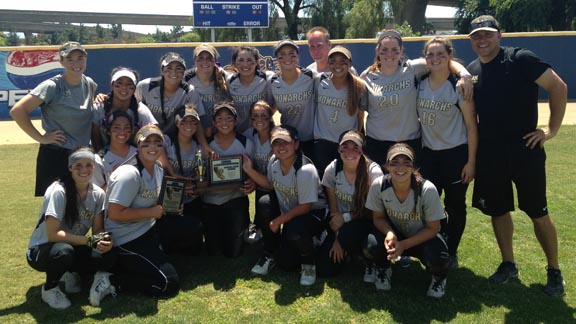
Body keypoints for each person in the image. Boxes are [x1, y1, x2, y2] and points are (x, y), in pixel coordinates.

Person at [467, 15, 567, 296]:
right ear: (470, 40)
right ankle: (508, 263)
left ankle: (554, 270)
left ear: (500, 35)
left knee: (538, 212)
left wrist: (550, 130)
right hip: (490, 154)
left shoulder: (521, 59)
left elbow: (558, 87)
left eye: (487, 34)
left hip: (525, 150)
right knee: (498, 210)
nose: (482, 40)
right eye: (476, 36)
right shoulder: (473, 71)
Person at [105, 125, 196, 297]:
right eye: (146, 143)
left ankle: (155, 256)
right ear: (137, 146)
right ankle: (113, 280)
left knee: (192, 227)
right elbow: (114, 214)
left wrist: (172, 206)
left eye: (157, 143)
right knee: (168, 284)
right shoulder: (129, 173)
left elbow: (156, 201)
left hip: (148, 228)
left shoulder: (158, 168)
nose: (153, 147)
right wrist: (152, 212)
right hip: (125, 238)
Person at [360, 29, 472, 166]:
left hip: (409, 142)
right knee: (378, 186)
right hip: (377, 143)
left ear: (401, 51)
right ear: (377, 50)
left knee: (410, 186)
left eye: (395, 50)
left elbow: (446, 62)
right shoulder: (367, 76)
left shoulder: (413, 68)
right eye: (384, 50)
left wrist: (464, 75)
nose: (390, 54)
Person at [26, 147, 116, 309]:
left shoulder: (97, 194)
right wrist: (88, 241)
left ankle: (71, 274)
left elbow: (97, 229)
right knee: (65, 252)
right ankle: (50, 289)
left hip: (73, 244)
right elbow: (53, 235)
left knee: (109, 251)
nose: (84, 170)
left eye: (88, 165)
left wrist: (103, 240)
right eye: (78, 165)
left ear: (94, 167)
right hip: (41, 250)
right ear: (70, 168)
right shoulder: (58, 191)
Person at [416, 37, 478, 269]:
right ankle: (434, 244)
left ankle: (451, 251)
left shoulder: (458, 85)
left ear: (450, 56)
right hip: (429, 154)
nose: (435, 59)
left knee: (454, 204)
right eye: (430, 54)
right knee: (429, 203)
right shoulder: (420, 81)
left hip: (455, 153)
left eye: (441, 54)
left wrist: (471, 162)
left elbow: (472, 126)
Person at [10, 41, 98, 196]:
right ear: (61, 61)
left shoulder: (89, 83)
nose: (76, 63)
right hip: (56, 155)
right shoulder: (52, 86)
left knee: (80, 207)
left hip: (82, 155)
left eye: (80, 57)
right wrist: (41, 138)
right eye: (69, 59)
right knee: (54, 210)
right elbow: (18, 111)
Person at [243, 125, 327, 286]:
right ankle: (270, 253)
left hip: (313, 214)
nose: (281, 147)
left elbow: (306, 207)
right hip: (291, 215)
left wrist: (278, 221)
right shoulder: (274, 162)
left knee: (295, 228)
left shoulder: (305, 170)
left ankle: (309, 263)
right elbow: (269, 184)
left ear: (296, 144)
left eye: (286, 142)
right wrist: (248, 170)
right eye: (276, 143)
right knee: (264, 203)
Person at [364, 143, 450, 298]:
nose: (400, 168)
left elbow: (433, 228)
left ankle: (439, 278)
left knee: (438, 258)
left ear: (413, 167)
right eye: (394, 163)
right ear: (387, 166)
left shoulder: (427, 189)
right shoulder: (379, 185)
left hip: (422, 238)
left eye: (406, 163)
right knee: (371, 245)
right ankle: (383, 268)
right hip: (396, 236)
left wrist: (404, 245)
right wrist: (389, 233)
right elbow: (378, 218)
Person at [315, 130, 383, 279]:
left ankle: (369, 261)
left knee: (370, 245)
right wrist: (337, 238)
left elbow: (372, 211)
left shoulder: (373, 172)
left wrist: (344, 224)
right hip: (341, 224)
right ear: (339, 149)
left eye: (355, 147)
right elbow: (334, 212)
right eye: (345, 147)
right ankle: (351, 252)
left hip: (367, 221)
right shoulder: (332, 169)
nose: (349, 152)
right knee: (324, 270)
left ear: (362, 150)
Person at [201, 102, 255, 257]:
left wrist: (252, 182)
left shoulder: (246, 143)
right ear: (213, 122)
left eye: (229, 118)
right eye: (219, 119)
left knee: (233, 252)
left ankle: (244, 226)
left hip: (234, 200)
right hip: (210, 202)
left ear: (236, 121)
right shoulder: (206, 146)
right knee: (213, 251)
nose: (224, 123)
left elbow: (252, 172)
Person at [135, 52, 211, 154]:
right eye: (169, 68)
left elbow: (197, 122)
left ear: (184, 71)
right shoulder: (145, 86)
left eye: (178, 68)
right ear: (162, 70)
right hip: (147, 139)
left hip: (174, 141)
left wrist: (205, 146)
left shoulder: (189, 91)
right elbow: (132, 108)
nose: (173, 72)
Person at [313, 46, 367, 178]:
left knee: (346, 181)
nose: (337, 65)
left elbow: (360, 117)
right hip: (322, 142)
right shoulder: (319, 81)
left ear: (350, 64)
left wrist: (355, 140)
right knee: (323, 184)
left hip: (346, 144)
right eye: (333, 61)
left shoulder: (359, 86)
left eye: (343, 61)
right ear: (328, 63)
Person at [162, 105, 204, 254]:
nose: (189, 126)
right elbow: (161, 168)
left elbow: (200, 174)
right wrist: (177, 179)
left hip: (190, 198)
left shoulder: (197, 146)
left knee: (195, 244)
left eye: (193, 122)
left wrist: (196, 186)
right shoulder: (166, 141)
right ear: (177, 123)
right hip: (168, 197)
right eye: (184, 121)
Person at [270, 40, 318, 159]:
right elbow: (271, 107)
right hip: (288, 141)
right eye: (282, 55)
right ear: (276, 59)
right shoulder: (273, 82)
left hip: (311, 139)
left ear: (297, 57)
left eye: (292, 54)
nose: (287, 58)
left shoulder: (310, 76)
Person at [92, 67, 157, 152]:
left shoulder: (141, 110)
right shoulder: (99, 107)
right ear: (112, 86)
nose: (124, 88)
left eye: (129, 84)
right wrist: (103, 158)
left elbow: (154, 134)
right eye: (119, 83)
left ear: (134, 88)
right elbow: (95, 137)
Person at [242, 100, 276, 243]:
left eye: (264, 115)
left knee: (266, 205)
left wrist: (252, 174)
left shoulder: (277, 137)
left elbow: (272, 184)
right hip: (259, 184)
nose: (259, 119)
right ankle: (256, 224)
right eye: (255, 116)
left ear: (270, 117)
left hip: (277, 187)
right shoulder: (249, 135)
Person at [184, 43, 231, 137]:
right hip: (195, 131)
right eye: (200, 58)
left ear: (214, 61)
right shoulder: (186, 79)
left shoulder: (225, 77)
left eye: (209, 58)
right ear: (195, 60)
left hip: (222, 130)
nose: (204, 62)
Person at [227, 46, 275, 133]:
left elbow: (275, 104)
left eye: (249, 60)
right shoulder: (229, 81)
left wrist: (263, 120)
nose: (245, 64)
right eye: (241, 60)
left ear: (256, 62)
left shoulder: (267, 78)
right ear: (234, 63)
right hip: (239, 132)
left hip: (263, 133)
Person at [92, 111, 138, 189]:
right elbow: (98, 195)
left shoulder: (139, 154)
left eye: (126, 127)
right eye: (116, 127)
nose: (122, 132)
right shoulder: (99, 159)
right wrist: (115, 177)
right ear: (109, 130)